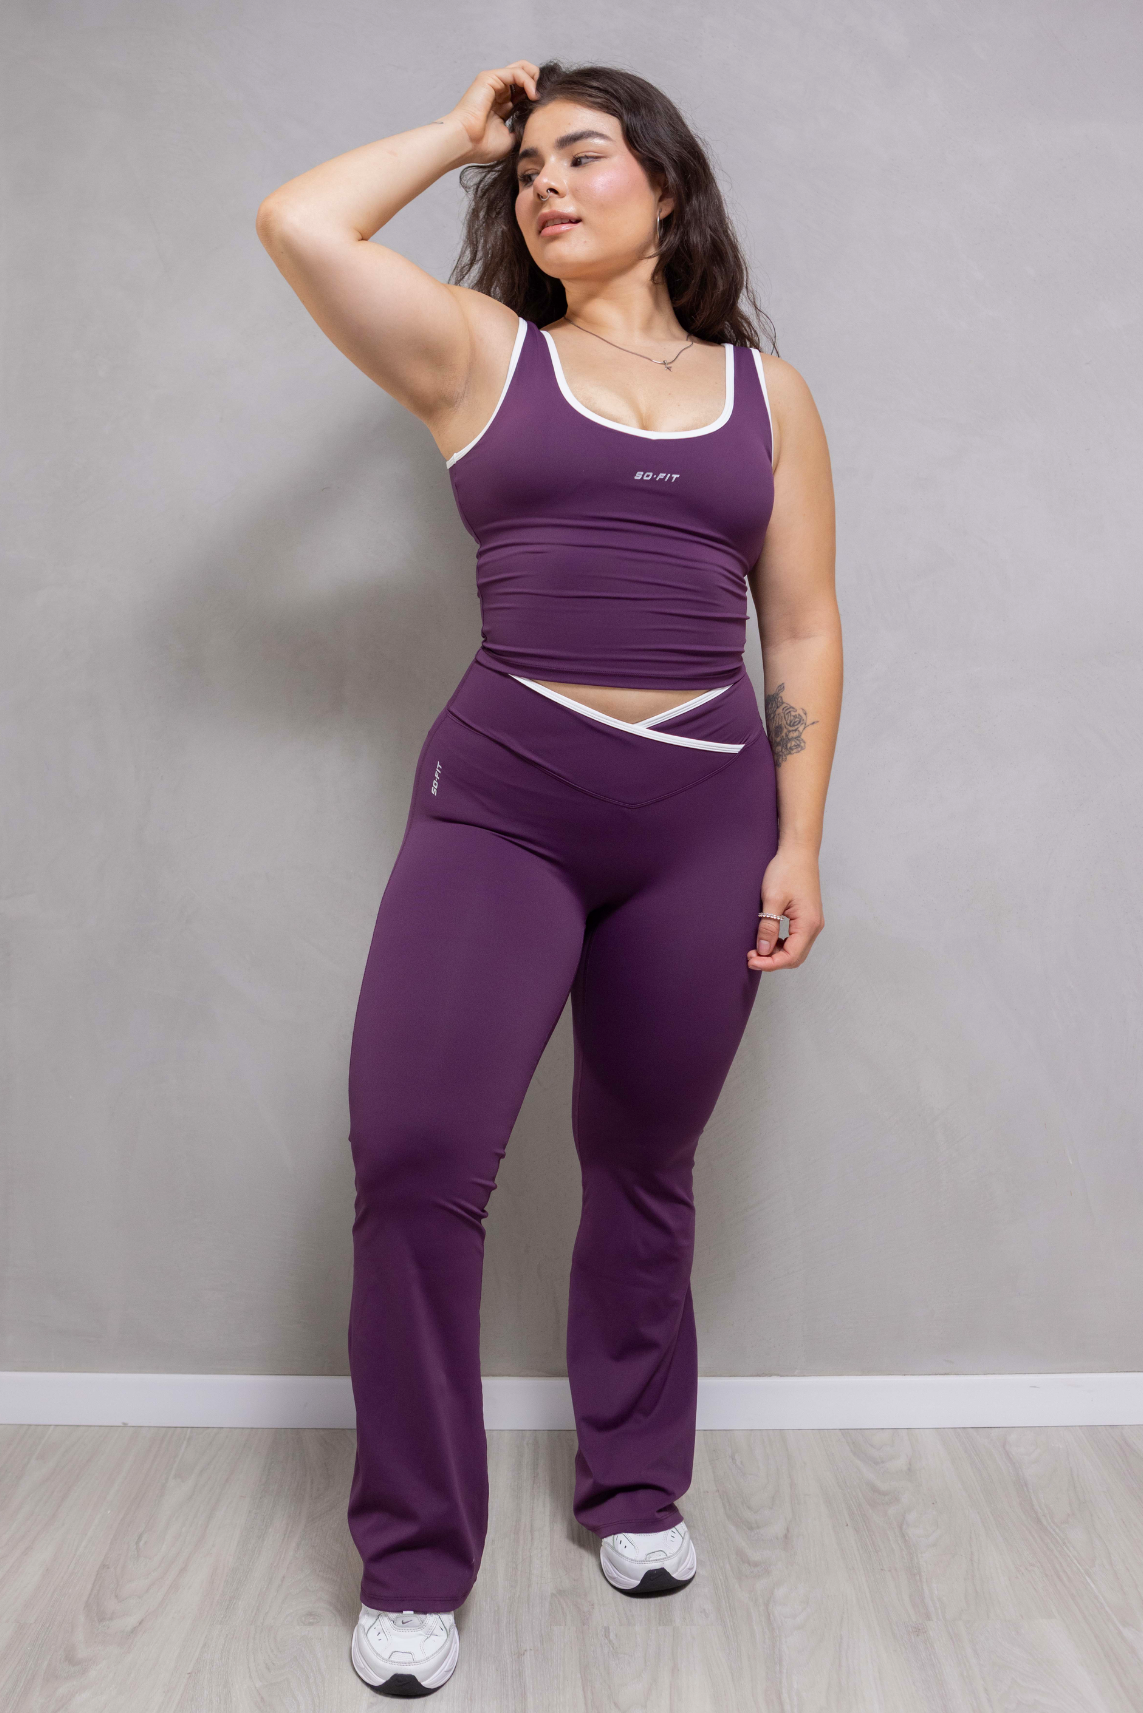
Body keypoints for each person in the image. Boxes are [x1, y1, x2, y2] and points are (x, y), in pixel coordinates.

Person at [256, 56, 841, 1697]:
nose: (546, 187)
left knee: (645, 1163)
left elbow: (799, 626)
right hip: (501, 808)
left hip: (704, 822)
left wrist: (797, 836)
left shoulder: (767, 398)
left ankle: (635, 1489)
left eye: (583, 157)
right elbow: (297, 222)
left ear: (667, 184)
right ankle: (413, 1566)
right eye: (525, 175)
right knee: (418, 1164)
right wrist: (461, 132)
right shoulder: (477, 353)